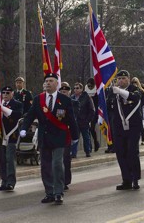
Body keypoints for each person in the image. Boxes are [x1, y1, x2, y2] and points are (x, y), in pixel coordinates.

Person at [19, 73, 79, 204]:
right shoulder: (38, 99)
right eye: (46, 81)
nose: (48, 83)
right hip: (44, 137)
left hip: (59, 137)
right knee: (45, 166)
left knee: (57, 164)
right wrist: (23, 128)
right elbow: (30, 116)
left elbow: (71, 119)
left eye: (51, 81)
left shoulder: (64, 100)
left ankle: (58, 192)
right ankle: (49, 193)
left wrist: (75, 136)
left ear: (57, 83)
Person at [107, 70, 144, 190]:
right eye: (119, 79)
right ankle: (126, 180)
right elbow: (109, 106)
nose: (121, 81)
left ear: (128, 79)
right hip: (118, 127)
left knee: (132, 152)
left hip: (133, 126)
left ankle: (135, 179)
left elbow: (136, 98)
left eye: (123, 78)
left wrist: (121, 92)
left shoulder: (135, 89)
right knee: (121, 153)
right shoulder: (113, 92)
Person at [71, 82, 95, 158]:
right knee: (75, 138)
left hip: (84, 121)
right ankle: (73, 153)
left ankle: (87, 151)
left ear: (81, 89)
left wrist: (87, 120)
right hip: (75, 121)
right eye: (74, 88)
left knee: (86, 137)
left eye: (77, 88)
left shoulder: (86, 97)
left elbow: (91, 110)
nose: (75, 90)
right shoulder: (72, 97)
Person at [59, 85, 74, 190]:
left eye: (65, 91)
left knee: (65, 158)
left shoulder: (74, 103)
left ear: (69, 92)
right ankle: (58, 179)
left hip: (67, 133)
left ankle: (65, 180)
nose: (63, 93)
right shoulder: (58, 103)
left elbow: (73, 118)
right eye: (62, 91)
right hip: (56, 133)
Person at [132, 77, 144, 146]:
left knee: (143, 126)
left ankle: (143, 139)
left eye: (135, 83)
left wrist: (141, 105)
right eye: (133, 83)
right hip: (135, 111)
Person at [84, 78, 101, 152]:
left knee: (92, 128)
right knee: (87, 129)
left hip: (95, 111)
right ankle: (89, 146)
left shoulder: (97, 91)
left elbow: (98, 102)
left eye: (91, 86)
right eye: (89, 86)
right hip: (87, 112)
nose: (90, 87)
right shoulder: (86, 90)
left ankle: (95, 142)